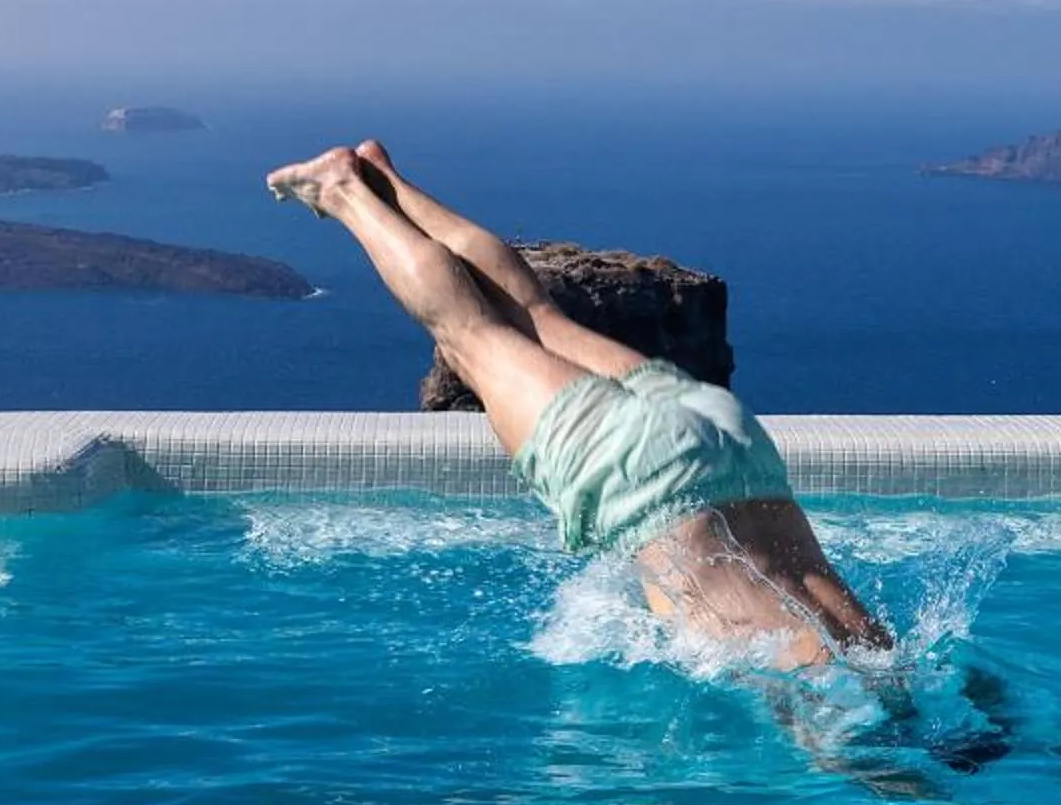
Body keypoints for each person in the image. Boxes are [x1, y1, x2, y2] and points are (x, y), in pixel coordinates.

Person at [265, 140, 890, 667]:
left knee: (538, 317)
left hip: (732, 446)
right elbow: (860, 768)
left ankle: (387, 181)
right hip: (645, 482)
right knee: (471, 334)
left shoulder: (888, 658)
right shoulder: (836, 680)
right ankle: (346, 190)